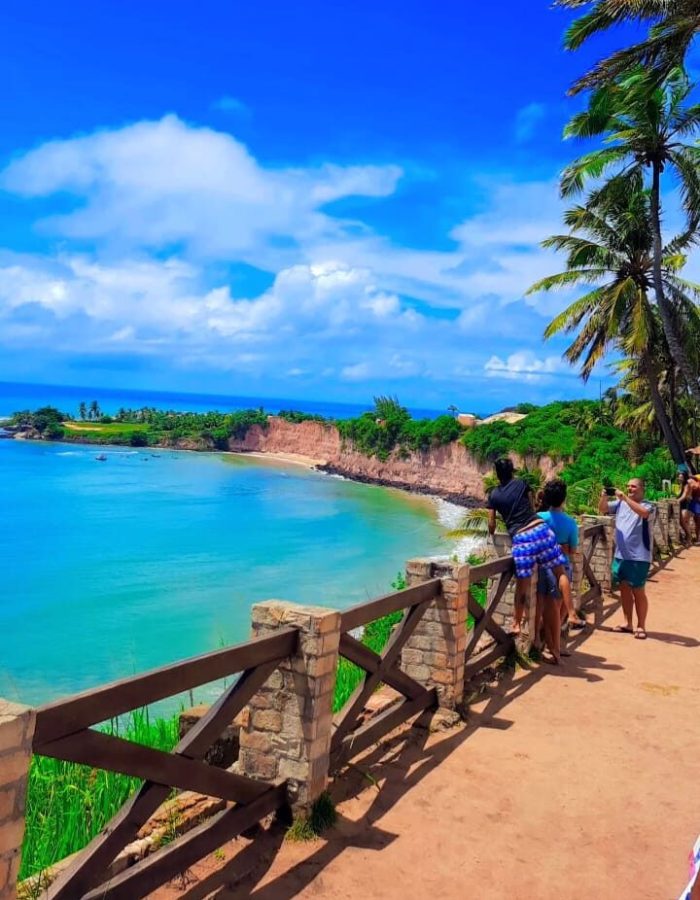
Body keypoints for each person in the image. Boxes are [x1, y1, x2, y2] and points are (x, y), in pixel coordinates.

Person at [487, 458, 570, 637]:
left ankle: (516, 623)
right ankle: (572, 613)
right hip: (541, 528)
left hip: (522, 537)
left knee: (522, 586)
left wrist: (492, 535)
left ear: (497, 474)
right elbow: (532, 505)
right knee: (560, 572)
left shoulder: (493, 495)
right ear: (512, 472)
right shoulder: (521, 483)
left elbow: (491, 523)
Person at [598, 477, 654, 640]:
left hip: (639, 556)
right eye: (628, 486)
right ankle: (627, 623)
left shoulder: (648, 505)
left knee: (638, 591)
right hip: (620, 556)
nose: (630, 488)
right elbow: (603, 509)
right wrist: (604, 496)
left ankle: (641, 625)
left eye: (634, 486)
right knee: (624, 589)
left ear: (642, 488)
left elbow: (643, 514)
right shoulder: (621, 504)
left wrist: (624, 498)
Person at [534, 479, 583, 664]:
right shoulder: (570, 523)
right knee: (558, 610)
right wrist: (560, 546)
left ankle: (553, 649)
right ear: (564, 499)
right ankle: (556, 646)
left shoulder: (539, 518)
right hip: (565, 567)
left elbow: (535, 542)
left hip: (546, 568)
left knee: (550, 610)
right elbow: (572, 550)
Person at [678, 472, 695, 546]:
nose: (680, 478)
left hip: (686, 505)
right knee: (684, 522)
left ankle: (689, 538)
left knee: (683, 522)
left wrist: (677, 501)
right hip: (683, 504)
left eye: (681, 477)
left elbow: (684, 496)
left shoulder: (687, 485)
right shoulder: (682, 484)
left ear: (685, 478)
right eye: (679, 477)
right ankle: (688, 538)